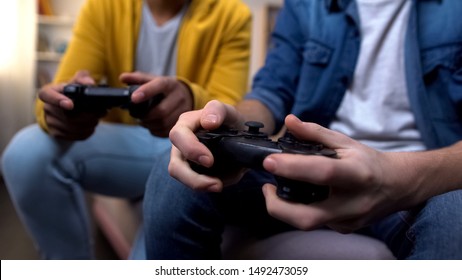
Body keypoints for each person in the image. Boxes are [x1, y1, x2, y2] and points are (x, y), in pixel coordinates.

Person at [143, 0, 462, 259]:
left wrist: (404, 176)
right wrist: (236, 122)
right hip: (303, 167)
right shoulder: (304, 5)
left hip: (420, 181)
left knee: (456, 214)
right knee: (179, 169)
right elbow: (270, 93)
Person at [0, 0, 251, 259]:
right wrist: (54, 113)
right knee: (25, 154)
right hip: (131, 147)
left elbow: (228, 110)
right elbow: (61, 89)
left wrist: (191, 99)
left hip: (186, 145)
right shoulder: (104, 7)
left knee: (191, 161)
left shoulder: (231, 14)